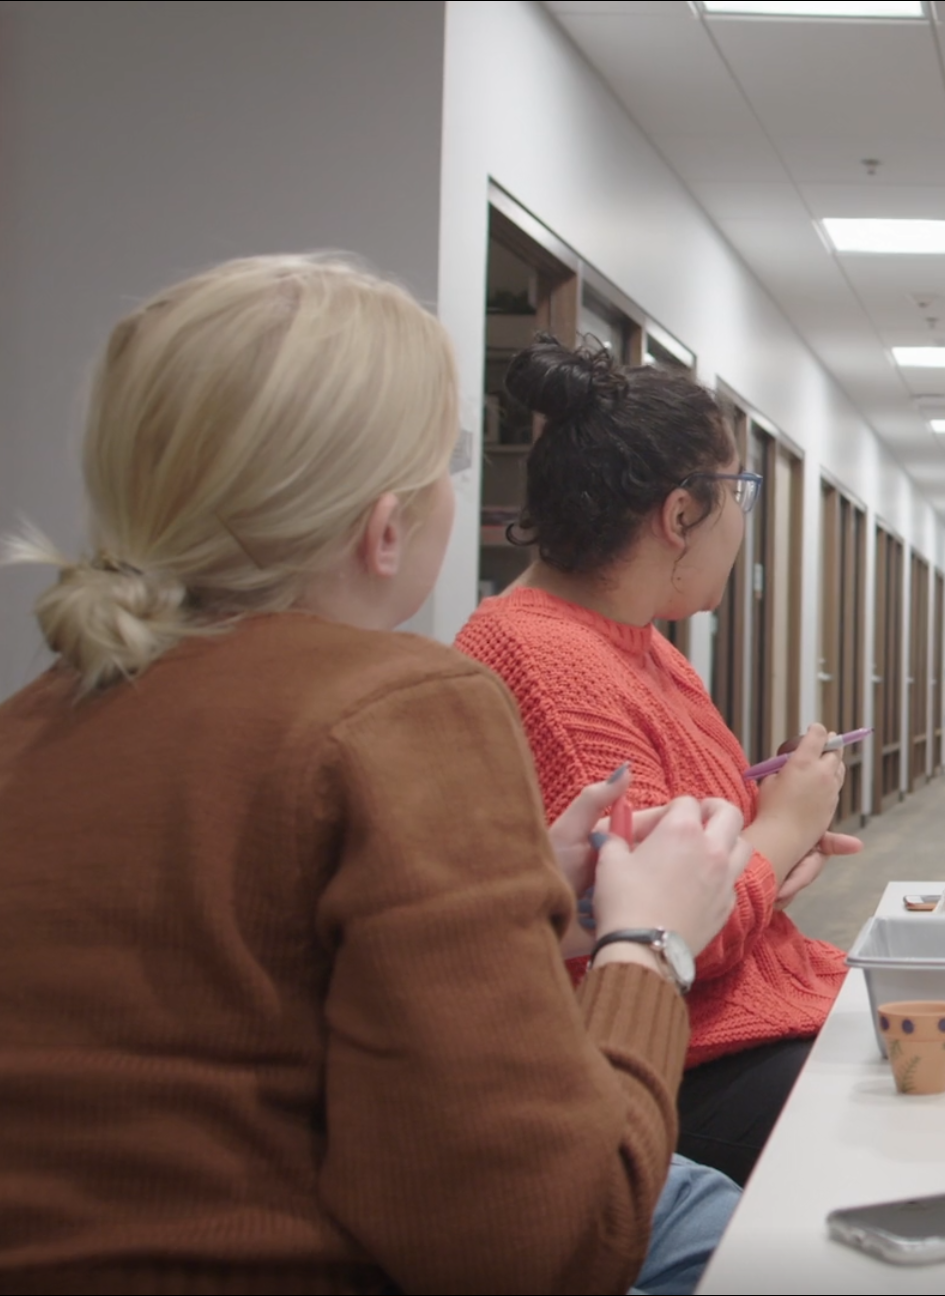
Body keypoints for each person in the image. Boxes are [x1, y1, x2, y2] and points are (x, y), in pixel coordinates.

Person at [0, 254, 748, 1291]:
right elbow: (553, 1239)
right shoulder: (402, 709)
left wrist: (515, 902)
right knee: (718, 1215)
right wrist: (647, 943)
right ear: (387, 527)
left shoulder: (31, 723)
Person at [456, 338, 853, 1186]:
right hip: (675, 1061)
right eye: (739, 492)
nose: (744, 522)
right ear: (679, 515)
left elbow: (692, 866)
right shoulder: (543, 663)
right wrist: (777, 835)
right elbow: (665, 939)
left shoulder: (639, 646)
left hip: (736, 1018)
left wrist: (774, 834)